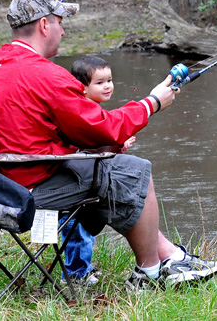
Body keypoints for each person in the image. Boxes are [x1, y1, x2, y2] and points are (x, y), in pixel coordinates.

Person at [0, 0, 217, 290]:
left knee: (111, 170)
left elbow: (35, 129)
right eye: (59, 21)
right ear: (44, 25)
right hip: (29, 188)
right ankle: (149, 273)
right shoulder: (46, 76)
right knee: (135, 171)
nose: (63, 30)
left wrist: (95, 146)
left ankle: (169, 257)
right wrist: (153, 102)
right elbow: (104, 128)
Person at [61, 56, 136, 286]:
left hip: (81, 179)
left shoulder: (92, 111)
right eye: (100, 82)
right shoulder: (85, 115)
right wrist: (118, 145)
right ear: (82, 88)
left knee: (80, 231)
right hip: (75, 184)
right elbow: (90, 149)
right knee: (77, 231)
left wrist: (117, 144)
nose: (108, 86)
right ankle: (76, 275)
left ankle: (81, 269)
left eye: (110, 80)